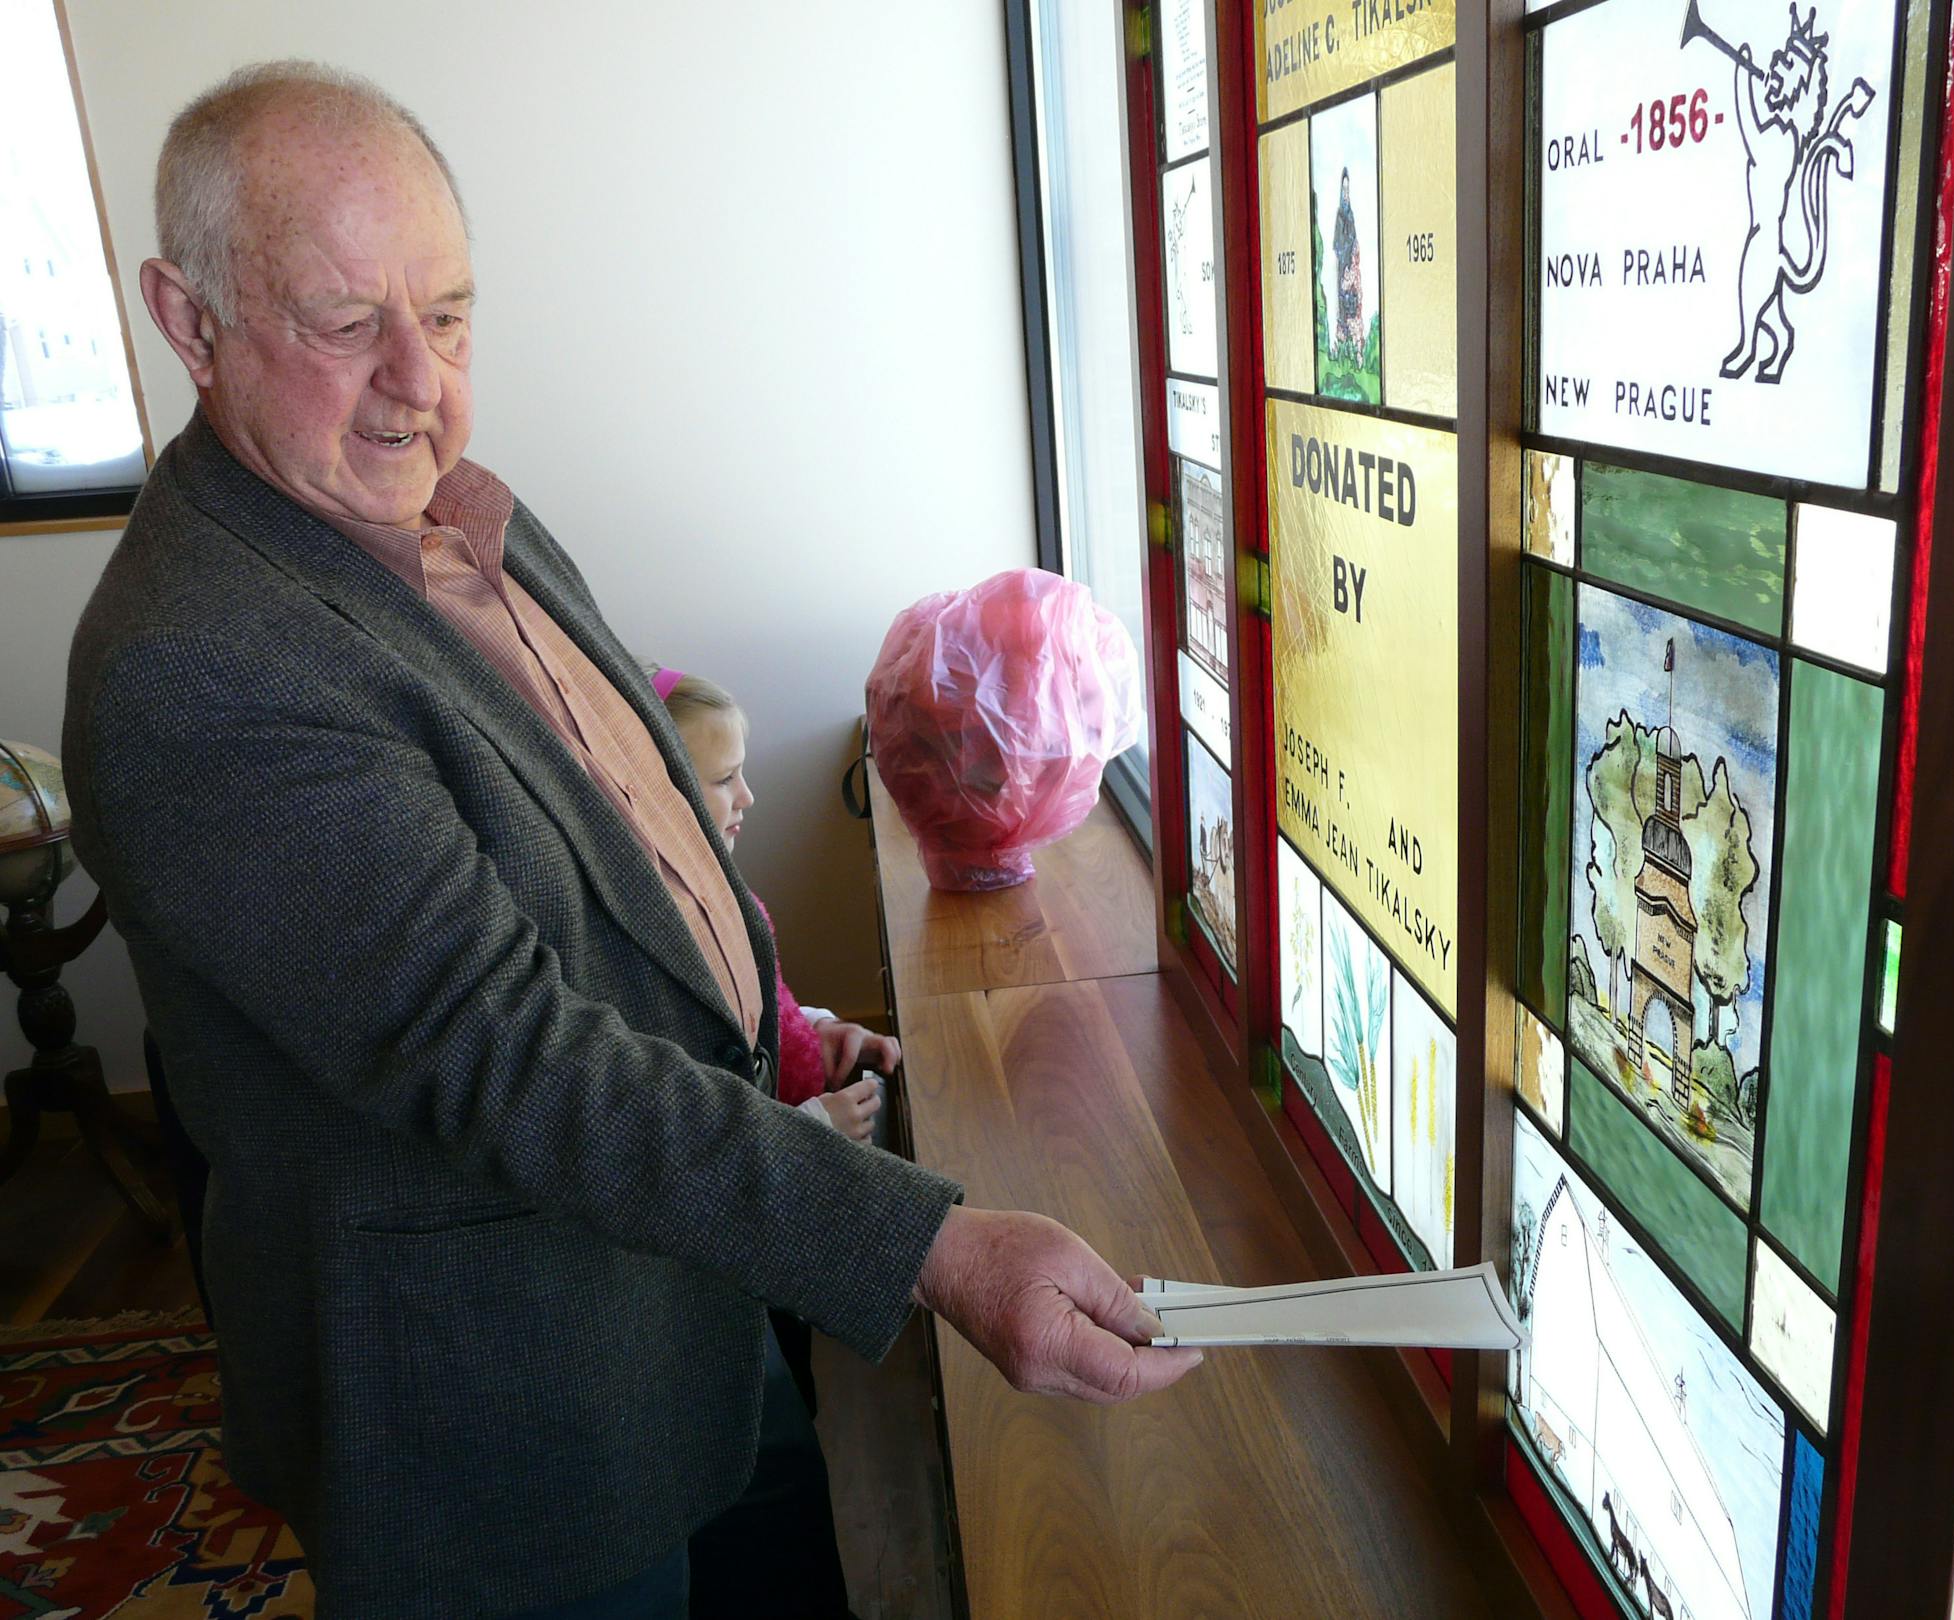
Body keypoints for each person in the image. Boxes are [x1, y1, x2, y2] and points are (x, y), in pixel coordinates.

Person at [63, 61, 1199, 1620]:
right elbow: (508, 1056)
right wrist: (932, 1250)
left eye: (449, 313)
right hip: (500, 1430)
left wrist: (778, 1034)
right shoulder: (197, 668)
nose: (420, 382)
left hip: (684, 1292)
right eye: (345, 324)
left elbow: (626, 845)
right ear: (185, 321)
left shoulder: (455, 512)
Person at [649, 666, 885, 1144]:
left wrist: (819, 1029)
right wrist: (814, 1128)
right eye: (724, 779)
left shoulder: (712, 882)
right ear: (658, 795)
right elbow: (703, 1117)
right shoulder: (668, 938)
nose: (748, 796)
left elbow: (764, 1002)